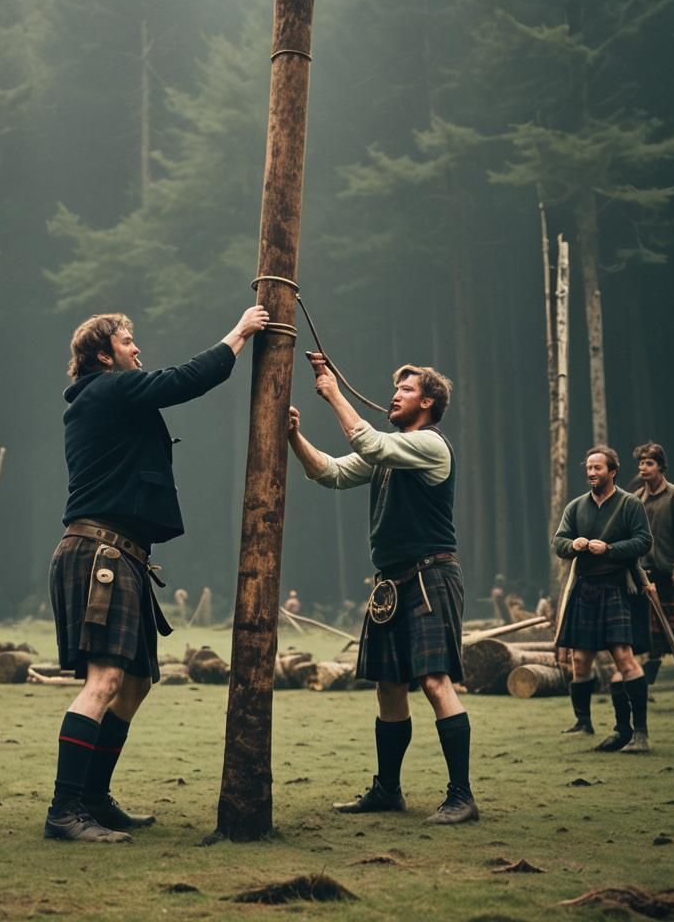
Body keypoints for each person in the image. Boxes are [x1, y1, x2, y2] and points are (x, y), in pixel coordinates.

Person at [45, 304, 268, 843]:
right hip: (100, 553)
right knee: (104, 683)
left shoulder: (105, 397)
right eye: (128, 342)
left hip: (120, 553)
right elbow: (186, 380)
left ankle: (93, 799)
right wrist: (239, 331)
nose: (136, 349)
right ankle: (64, 811)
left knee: (137, 682)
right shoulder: (108, 389)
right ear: (104, 354)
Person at [288, 357, 477, 825]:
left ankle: (462, 797)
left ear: (427, 403)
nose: (395, 395)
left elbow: (366, 440)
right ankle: (388, 790)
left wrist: (333, 392)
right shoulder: (387, 456)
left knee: (435, 683)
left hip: (430, 577)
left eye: (406, 390)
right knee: (389, 687)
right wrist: (293, 436)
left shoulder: (430, 445)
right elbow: (328, 472)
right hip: (392, 582)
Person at [553, 446, 654, 752]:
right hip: (585, 589)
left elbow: (643, 542)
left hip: (616, 588)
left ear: (613, 472)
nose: (591, 473)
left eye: (598, 468)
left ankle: (640, 733)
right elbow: (559, 542)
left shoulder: (630, 504)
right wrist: (574, 544)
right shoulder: (576, 506)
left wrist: (608, 549)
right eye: (589, 468)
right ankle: (583, 721)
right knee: (580, 659)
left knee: (623, 657)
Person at [633, 442, 674, 712]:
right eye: (640, 463)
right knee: (651, 644)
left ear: (661, 466)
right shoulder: (637, 499)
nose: (643, 468)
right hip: (647, 579)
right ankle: (639, 700)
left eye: (649, 463)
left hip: (671, 579)